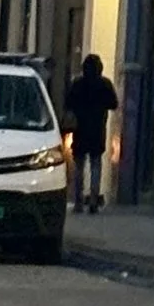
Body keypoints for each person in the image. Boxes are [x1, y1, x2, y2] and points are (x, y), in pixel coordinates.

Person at [65, 52, 119, 212]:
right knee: (96, 164)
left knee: (79, 165)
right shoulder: (105, 84)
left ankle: (78, 201)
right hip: (97, 129)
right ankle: (94, 200)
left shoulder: (78, 84)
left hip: (80, 129)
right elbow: (113, 104)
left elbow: (69, 103)